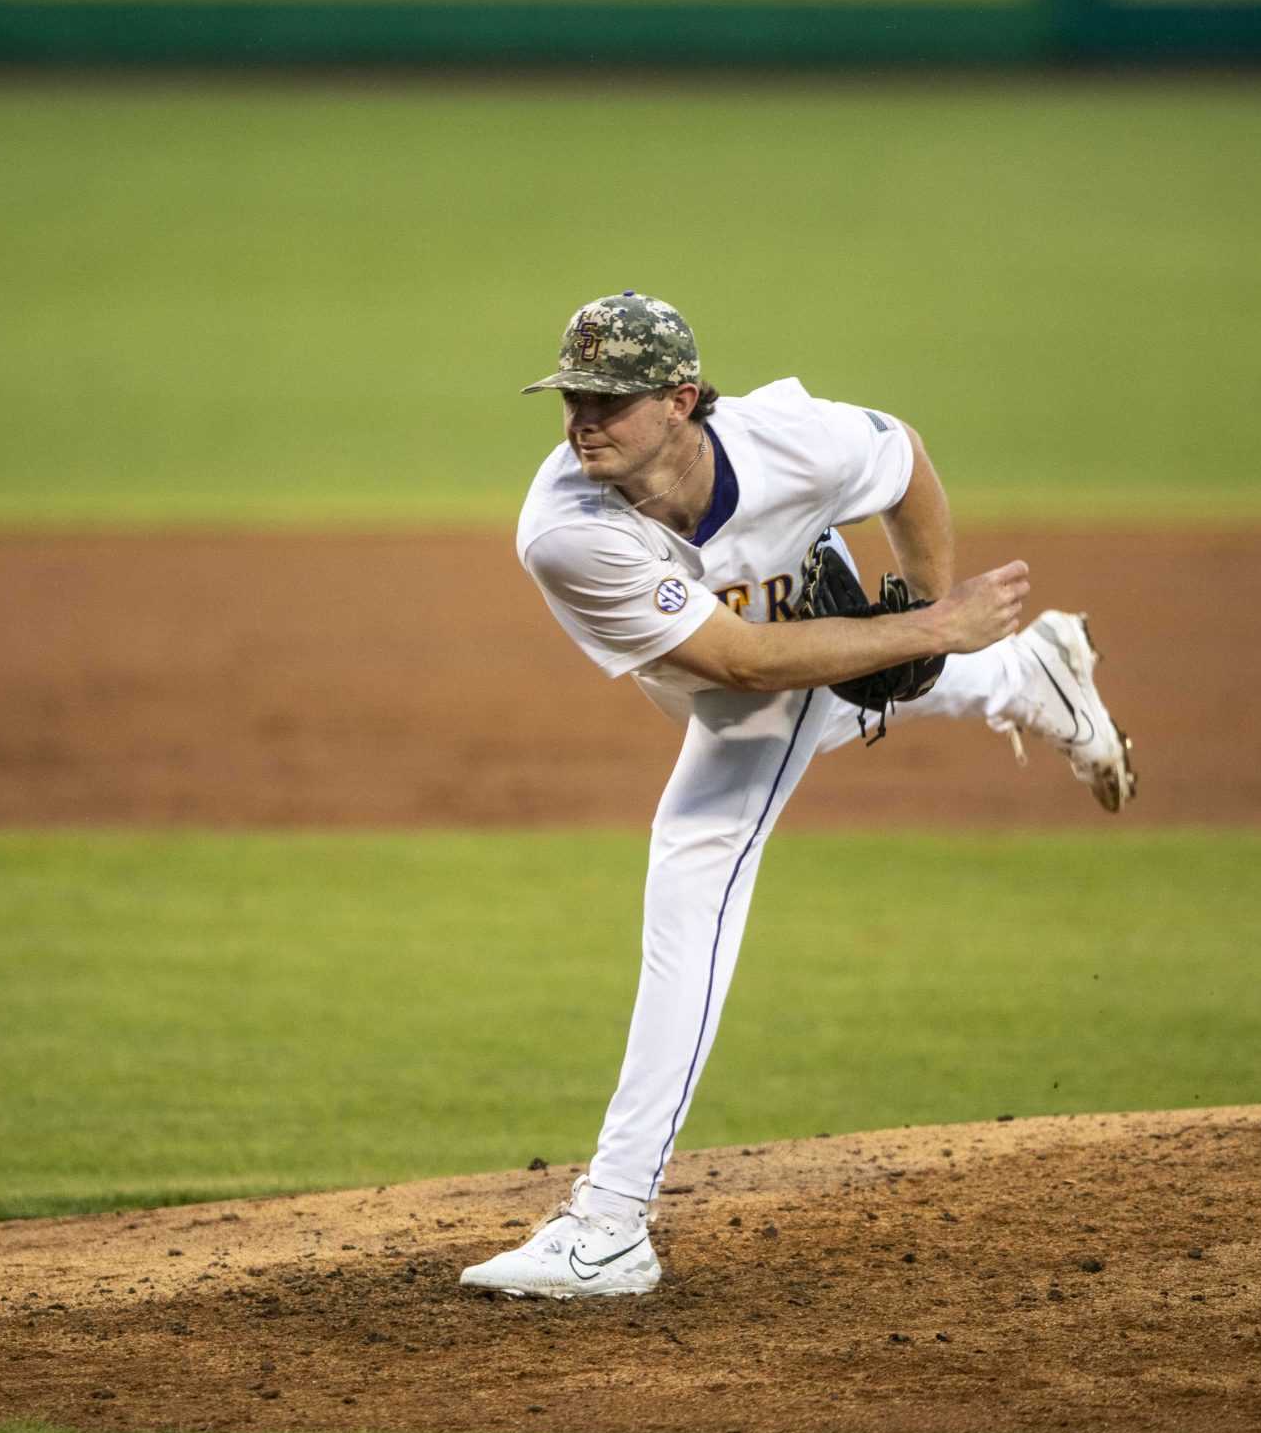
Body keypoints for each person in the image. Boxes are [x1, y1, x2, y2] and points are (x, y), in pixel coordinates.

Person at [459, 291, 1135, 1301]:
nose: (582, 420)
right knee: (810, 696)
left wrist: (915, 599)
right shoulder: (567, 530)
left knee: (695, 862)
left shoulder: (789, 442)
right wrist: (926, 634)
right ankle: (1026, 672)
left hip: (779, 646)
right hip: (728, 667)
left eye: (610, 398)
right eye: (571, 397)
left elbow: (903, 459)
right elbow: (733, 662)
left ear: (683, 400)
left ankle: (608, 1225)